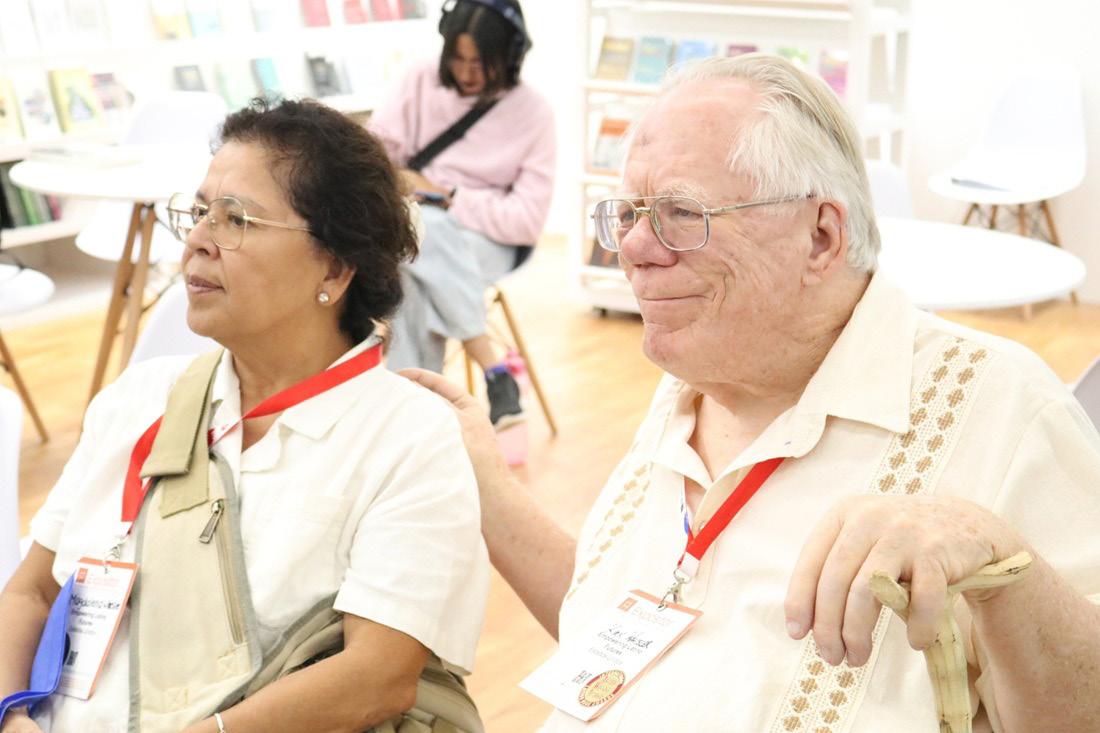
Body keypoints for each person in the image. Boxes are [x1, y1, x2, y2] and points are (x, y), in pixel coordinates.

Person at [404, 54, 1100, 731]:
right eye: (631, 213)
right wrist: (485, 483)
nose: (634, 247)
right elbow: (616, 625)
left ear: (821, 236)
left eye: (681, 212)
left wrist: (998, 556)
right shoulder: (691, 392)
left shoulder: (1000, 406)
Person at [0, 99, 488, 733]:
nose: (198, 240)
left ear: (335, 267)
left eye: (237, 220)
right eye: (200, 211)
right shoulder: (137, 398)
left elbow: (377, 678)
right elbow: (31, 590)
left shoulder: (409, 439)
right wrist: (10, 715)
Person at [369, 0, 555, 429]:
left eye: (481, 63)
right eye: (458, 59)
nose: (467, 73)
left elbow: (525, 220)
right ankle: (492, 371)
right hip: (416, 232)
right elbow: (375, 158)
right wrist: (406, 185)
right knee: (412, 267)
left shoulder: (534, 113)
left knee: (417, 244)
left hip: (489, 240)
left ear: (510, 57)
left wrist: (447, 197)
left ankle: (411, 417)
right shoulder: (418, 79)